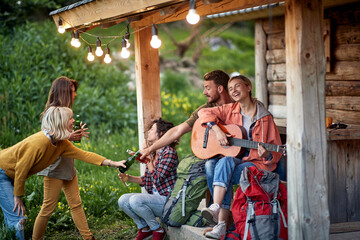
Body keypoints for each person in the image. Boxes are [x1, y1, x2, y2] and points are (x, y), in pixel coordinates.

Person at [0, 106, 126, 240]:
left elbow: (85, 155)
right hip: (2, 172)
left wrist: (113, 163)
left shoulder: (61, 143)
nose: (73, 121)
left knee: (16, 218)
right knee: (18, 218)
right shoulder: (39, 142)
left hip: (10, 174)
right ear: (60, 123)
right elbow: (21, 168)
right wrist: (17, 196)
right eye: (70, 118)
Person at [198, 75, 282, 239]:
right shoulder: (230, 109)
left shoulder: (265, 118)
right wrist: (217, 129)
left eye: (237, 86)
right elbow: (203, 112)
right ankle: (216, 208)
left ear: (248, 87)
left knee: (222, 172)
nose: (233, 91)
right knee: (225, 161)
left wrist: (267, 154)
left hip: (257, 164)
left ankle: (220, 223)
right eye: (230, 89)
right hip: (238, 160)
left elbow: (276, 153)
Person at [32, 76, 93, 240]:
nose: (75, 95)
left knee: (76, 204)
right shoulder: (51, 113)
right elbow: (48, 140)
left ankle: (89, 238)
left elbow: (64, 137)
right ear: (64, 92)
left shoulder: (66, 112)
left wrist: (74, 134)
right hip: (54, 167)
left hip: (67, 166)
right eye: (73, 92)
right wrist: (68, 136)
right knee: (47, 209)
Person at [139, 70, 233, 159]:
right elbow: (178, 130)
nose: (204, 92)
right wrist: (149, 150)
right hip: (217, 154)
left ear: (220, 88)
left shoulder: (239, 104)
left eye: (208, 88)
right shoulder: (206, 109)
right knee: (209, 166)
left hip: (238, 151)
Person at [118, 118, 179, 240]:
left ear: (161, 134)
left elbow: (157, 179)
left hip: (168, 201)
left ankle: (157, 229)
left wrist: (148, 161)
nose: (149, 132)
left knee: (136, 200)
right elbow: (147, 180)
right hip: (157, 200)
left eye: (152, 129)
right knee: (123, 200)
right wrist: (128, 178)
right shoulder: (154, 153)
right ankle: (145, 228)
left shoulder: (169, 153)